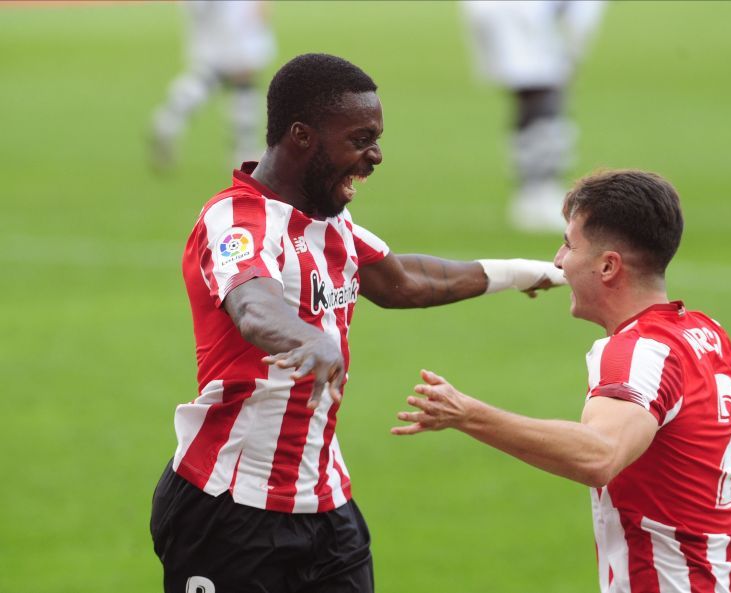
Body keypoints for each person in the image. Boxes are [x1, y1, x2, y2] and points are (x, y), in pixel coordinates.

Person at [149, 53, 566, 593]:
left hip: (326, 508)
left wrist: (522, 272)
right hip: (229, 509)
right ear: (302, 136)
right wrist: (310, 339)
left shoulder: (330, 223)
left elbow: (404, 281)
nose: (376, 156)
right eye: (361, 139)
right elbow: (253, 305)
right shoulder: (236, 220)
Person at [393, 170, 731, 592]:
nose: (558, 260)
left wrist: (467, 414)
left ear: (608, 265)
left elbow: (600, 455)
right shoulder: (705, 334)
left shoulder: (637, 352)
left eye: (568, 244)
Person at [461, 0, 607, 232]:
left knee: (532, 95)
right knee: (542, 93)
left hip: (491, 8)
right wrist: (570, 57)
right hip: (521, 11)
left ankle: (534, 190)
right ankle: (538, 192)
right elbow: (579, 22)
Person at [149, 1, 276, 171]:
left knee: (215, 70)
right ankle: (244, 151)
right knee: (240, 72)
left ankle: (168, 121)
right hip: (230, 13)